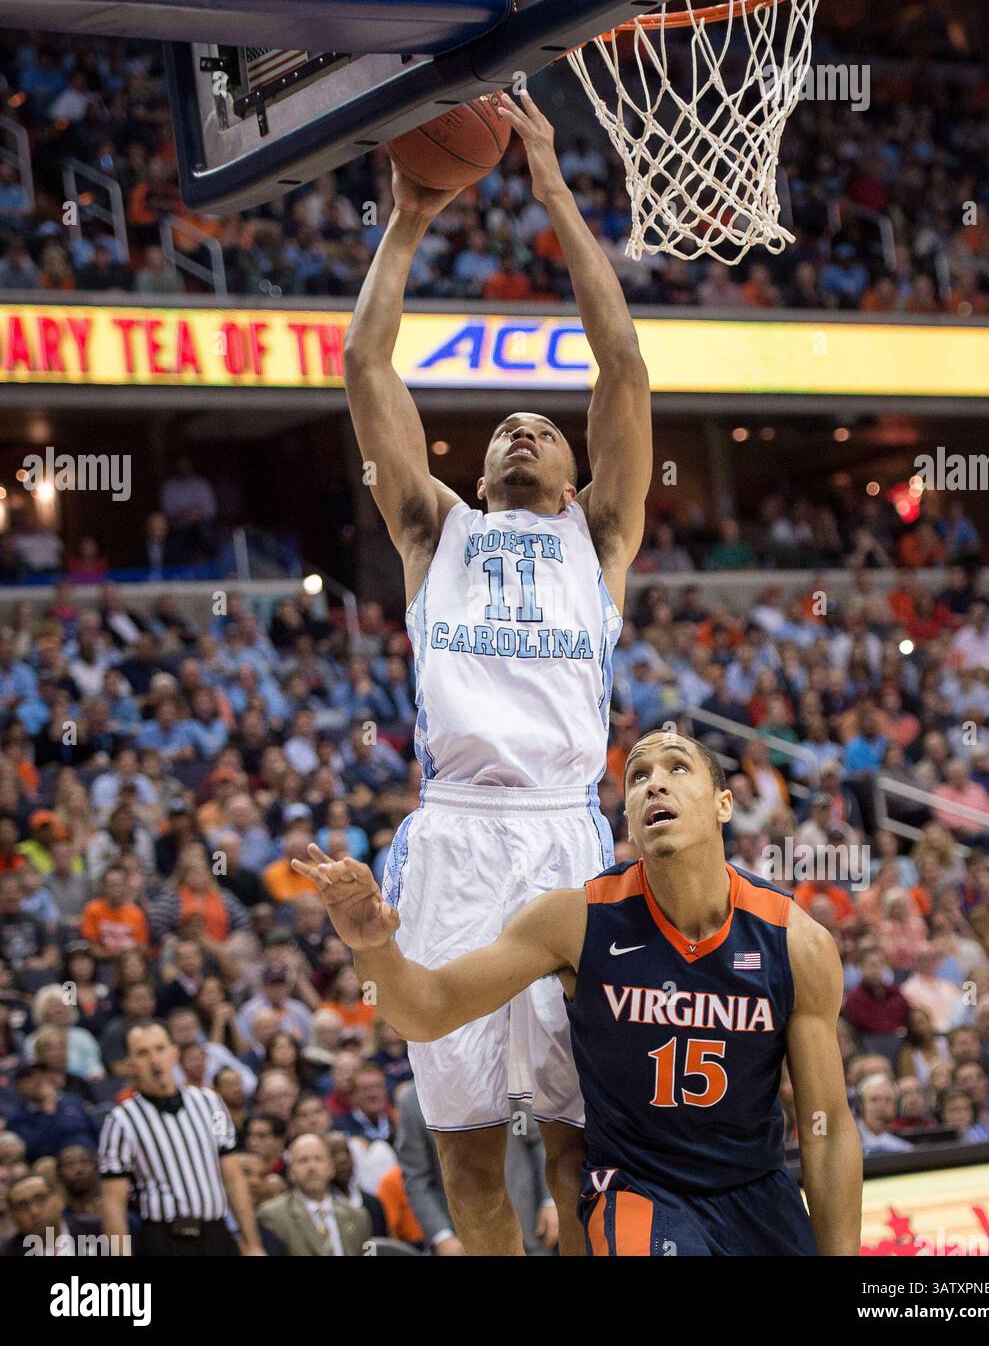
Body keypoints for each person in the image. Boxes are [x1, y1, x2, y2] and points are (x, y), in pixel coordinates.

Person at [340, 89, 651, 1255]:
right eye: (501, 428)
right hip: (458, 843)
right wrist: (410, 220)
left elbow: (620, 365)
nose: (521, 430)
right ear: (472, 469)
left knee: (577, 1146)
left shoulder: (600, 533)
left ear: (573, 474)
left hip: (569, 842)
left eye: (543, 426)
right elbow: (365, 359)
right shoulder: (436, 530)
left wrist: (555, 187)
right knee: (469, 1156)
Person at [295, 731, 862, 1256]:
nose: (654, 783)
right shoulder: (578, 920)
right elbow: (429, 1011)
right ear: (630, 824)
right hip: (640, 1190)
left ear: (723, 804)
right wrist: (372, 947)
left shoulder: (794, 942)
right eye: (637, 777)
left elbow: (829, 1127)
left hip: (754, 1191)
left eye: (676, 767)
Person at [98, 1019, 265, 1256]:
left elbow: (233, 1177)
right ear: (130, 1065)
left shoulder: (211, 1103)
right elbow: (113, 1203)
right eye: (143, 1053)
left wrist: (253, 1244)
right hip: (165, 1239)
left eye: (160, 1049)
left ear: (174, 1054)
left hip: (216, 1232)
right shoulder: (121, 1120)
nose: (154, 1060)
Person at [257, 1133, 371, 1256]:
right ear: (290, 1172)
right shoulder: (273, 1216)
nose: (312, 1167)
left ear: (331, 1168)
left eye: (318, 1159)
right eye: (303, 1160)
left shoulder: (358, 1216)